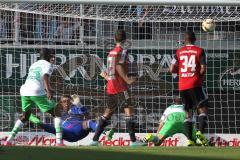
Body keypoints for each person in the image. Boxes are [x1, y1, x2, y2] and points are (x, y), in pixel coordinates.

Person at [89, 29, 146, 146]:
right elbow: (119, 66)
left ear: (114, 39)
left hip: (111, 86)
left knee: (108, 112)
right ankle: (134, 141)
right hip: (120, 86)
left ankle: (94, 140)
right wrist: (127, 79)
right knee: (129, 109)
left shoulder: (111, 53)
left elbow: (113, 71)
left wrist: (107, 77)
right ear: (125, 39)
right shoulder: (123, 51)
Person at [4, 48, 64, 146]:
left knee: (25, 116)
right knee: (57, 112)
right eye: (51, 55)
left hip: (25, 91)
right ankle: (58, 142)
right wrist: (48, 90)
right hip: (36, 92)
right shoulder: (48, 65)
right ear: (49, 55)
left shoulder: (34, 64)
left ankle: (8, 141)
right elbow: (45, 76)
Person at [169, 31, 209, 146]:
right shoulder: (199, 51)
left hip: (183, 85)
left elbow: (171, 69)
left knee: (188, 112)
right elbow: (203, 69)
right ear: (195, 39)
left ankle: (189, 140)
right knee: (202, 109)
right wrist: (199, 79)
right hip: (195, 84)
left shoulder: (178, 52)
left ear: (184, 40)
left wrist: (181, 71)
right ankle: (200, 134)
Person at [29, 95, 98, 143]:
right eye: (64, 101)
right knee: (55, 130)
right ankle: (35, 120)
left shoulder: (75, 108)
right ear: (61, 103)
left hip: (81, 129)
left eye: (68, 101)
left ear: (71, 102)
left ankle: (103, 132)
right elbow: (48, 108)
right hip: (68, 134)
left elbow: (87, 115)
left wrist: (79, 104)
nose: (66, 103)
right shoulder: (58, 111)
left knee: (88, 122)